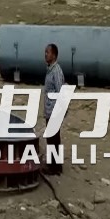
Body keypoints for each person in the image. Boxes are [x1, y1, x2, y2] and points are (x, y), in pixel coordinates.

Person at [43, 42, 65, 175]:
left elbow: (60, 91)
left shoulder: (56, 71)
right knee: (52, 139)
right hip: (50, 110)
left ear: (54, 55)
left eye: (48, 52)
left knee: (53, 139)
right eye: (45, 52)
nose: (45, 54)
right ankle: (55, 166)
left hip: (54, 111)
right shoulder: (50, 69)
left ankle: (54, 167)